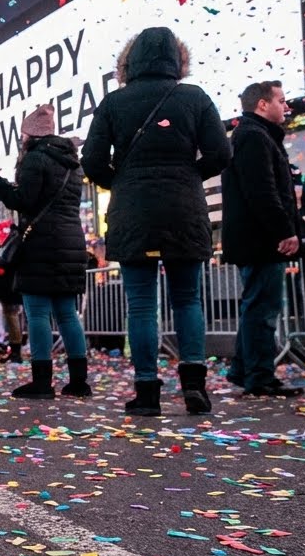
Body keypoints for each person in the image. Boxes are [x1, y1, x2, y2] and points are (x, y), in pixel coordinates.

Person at [81, 26, 230, 417]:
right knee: (187, 299)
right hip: (184, 208)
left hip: (134, 211)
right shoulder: (194, 97)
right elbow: (221, 152)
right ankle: (194, 386)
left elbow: (92, 161)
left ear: (129, 62)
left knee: (142, 306)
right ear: (178, 60)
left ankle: (147, 391)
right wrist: (190, 174)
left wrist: (123, 182)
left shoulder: (114, 103)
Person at [0, 104, 90, 399]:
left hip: (40, 244)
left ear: (29, 134)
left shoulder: (36, 159)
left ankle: (42, 381)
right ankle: (78, 381)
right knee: (68, 314)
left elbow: (24, 200)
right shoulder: (72, 162)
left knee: (36, 313)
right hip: (71, 241)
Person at [221, 81, 304, 398]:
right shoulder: (254, 137)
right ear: (261, 105)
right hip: (261, 240)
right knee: (263, 308)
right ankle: (259, 376)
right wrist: (284, 230)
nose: (286, 106)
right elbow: (263, 191)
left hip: (255, 238)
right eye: (281, 101)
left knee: (256, 305)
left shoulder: (251, 135)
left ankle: (245, 370)